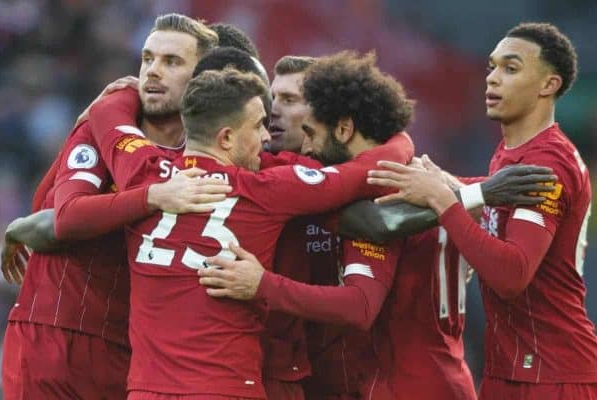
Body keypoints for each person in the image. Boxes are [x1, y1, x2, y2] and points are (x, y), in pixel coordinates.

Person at [196, 51, 559, 400]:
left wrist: (260, 284)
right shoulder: (433, 184)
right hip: (446, 377)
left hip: (395, 385)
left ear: (343, 127)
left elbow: (362, 295)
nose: (277, 113)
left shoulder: (377, 198)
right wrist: (468, 189)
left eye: (294, 104)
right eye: (273, 98)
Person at [78, 63, 413, 399]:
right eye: (257, 125)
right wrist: (400, 136)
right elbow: (369, 170)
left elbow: (106, 115)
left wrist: (130, 88)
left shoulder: (142, 172)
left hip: (146, 391)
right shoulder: (266, 191)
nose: (267, 136)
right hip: (226, 390)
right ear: (226, 137)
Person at [0, 13, 225, 400]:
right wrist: (153, 196)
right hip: (56, 338)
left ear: (203, 81)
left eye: (172, 62)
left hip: (133, 351)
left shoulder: (210, 157)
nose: (153, 72)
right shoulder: (105, 128)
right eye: (148, 59)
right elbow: (60, 213)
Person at [367, 22, 597, 400]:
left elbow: (512, 274)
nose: (492, 79)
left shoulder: (547, 162)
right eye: (491, 67)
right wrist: (452, 181)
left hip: (551, 375)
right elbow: (500, 201)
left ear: (548, 85)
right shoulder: (513, 152)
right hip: (512, 369)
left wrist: (444, 200)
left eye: (510, 68)